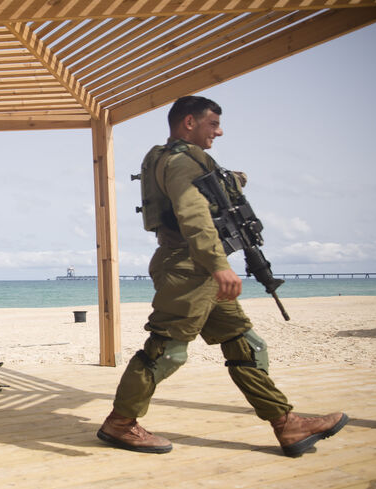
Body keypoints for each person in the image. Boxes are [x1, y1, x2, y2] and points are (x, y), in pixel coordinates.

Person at [97, 96, 348, 457]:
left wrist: (234, 180)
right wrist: (219, 265)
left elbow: (212, 193)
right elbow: (193, 216)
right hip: (189, 269)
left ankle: (286, 424)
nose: (219, 131)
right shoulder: (181, 163)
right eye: (212, 123)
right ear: (188, 122)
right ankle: (120, 424)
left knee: (245, 345)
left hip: (196, 269)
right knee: (165, 351)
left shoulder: (174, 160)